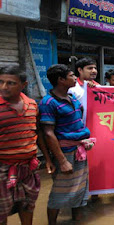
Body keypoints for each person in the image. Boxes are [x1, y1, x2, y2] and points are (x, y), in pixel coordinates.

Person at [39, 64, 94, 224]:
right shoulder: (48, 102)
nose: (74, 79)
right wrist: (61, 160)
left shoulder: (72, 98)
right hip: (65, 152)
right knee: (60, 192)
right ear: (61, 80)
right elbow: (48, 133)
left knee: (80, 188)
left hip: (79, 149)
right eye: (71, 76)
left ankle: (77, 220)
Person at [0, 66, 44, 225]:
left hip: (28, 168)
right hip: (2, 168)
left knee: (27, 205)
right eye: (1, 82)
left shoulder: (32, 105)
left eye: (10, 83)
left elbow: (37, 133)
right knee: (1, 210)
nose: (4, 87)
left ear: (23, 85)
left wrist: (48, 160)